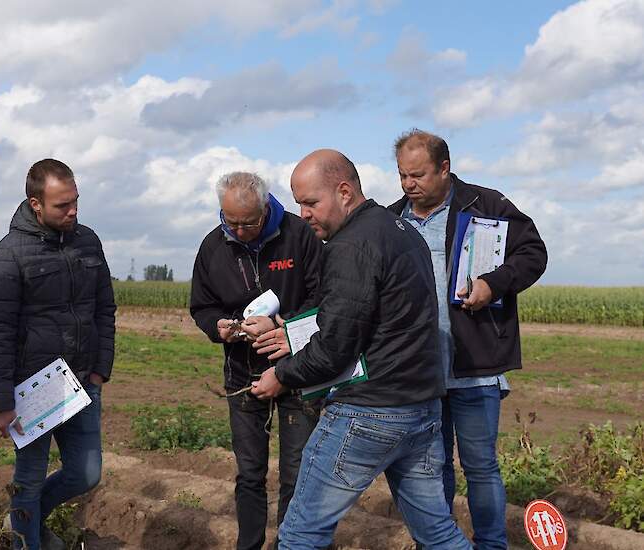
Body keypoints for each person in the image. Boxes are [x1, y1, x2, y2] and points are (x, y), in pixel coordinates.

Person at [252, 149, 472, 550]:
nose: (303, 213)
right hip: (421, 408)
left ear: (344, 191)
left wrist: (281, 376)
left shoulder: (351, 246)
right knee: (438, 533)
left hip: (369, 412)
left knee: (301, 533)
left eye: (311, 202)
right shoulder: (402, 231)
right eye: (299, 203)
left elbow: (336, 346)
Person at [388, 130, 547, 550]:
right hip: (418, 371)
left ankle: (491, 545)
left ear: (444, 168)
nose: (408, 184)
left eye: (417, 175)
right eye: (403, 175)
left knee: (480, 466)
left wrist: (493, 285)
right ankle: (437, 544)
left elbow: (533, 253)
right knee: (431, 468)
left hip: (475, 366)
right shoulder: (391, 220)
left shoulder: (485, 205)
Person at [0, 158, 116, 550]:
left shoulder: (88, 241)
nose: (73, 211)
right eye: (62, 206)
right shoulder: (8, 256)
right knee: (30, 475)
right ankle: (27, 540)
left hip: (83, 380)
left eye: (75, 201)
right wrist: (0, 402)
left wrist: (99, 370)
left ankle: (26, 517)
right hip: (33, 387)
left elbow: (104, 308)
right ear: (35, 204)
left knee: (86, 473)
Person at [189, 171, 323, 550]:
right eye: (230, 221)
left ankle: (292, 543)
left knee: (297, 472)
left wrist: (283, 324)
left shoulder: (300, 236)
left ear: (266, 209)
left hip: (298, 372)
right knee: (249, 473)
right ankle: (248, 544)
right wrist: (219, 327)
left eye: (248, 222)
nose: (240, 230)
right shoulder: (213, 246)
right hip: (242, 375)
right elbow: (201, 305)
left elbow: (324, 298)